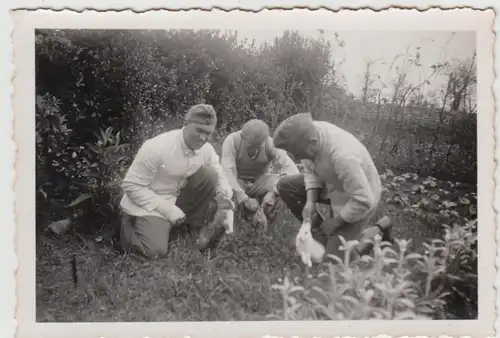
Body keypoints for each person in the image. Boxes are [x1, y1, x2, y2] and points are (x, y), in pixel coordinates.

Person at [118, 104, 234, 259]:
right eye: (198, 130)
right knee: (155, 251)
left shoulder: (206, 149)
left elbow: (219, 174)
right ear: (185, 124)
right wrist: (166, 209)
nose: (202, 138)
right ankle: (126, 226)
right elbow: (130, 185)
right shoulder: (157, 147)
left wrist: (224, 196)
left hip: (177, 197)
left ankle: (188, 225)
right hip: (150, 202)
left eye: (208, 133)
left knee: (210, 174)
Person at [272, 112, 382, 260]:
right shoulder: (309, 134)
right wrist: (310, 202)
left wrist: (335, 222)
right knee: (286, 186)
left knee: (334, 261)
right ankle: (319, 235)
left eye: (298, 153)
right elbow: (310, 171)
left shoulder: (344, 157)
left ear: (312, 142)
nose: (297, 158)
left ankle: (374, 234)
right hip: (331, 185)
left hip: (357, 199)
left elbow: (363, 200)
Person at [221, 119, 300, 225]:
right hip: (238, 182)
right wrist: (243, 198)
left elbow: (293, 171)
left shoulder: (270, 143)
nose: (254, 150)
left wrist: (273, 192)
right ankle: (241, 213)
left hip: (261, 181)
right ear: (242, 136)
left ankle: (267, 212)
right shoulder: (232, 141)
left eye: (258, 146)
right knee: (222, 183)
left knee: (286, 184)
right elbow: (228, 172)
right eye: (250, 145)